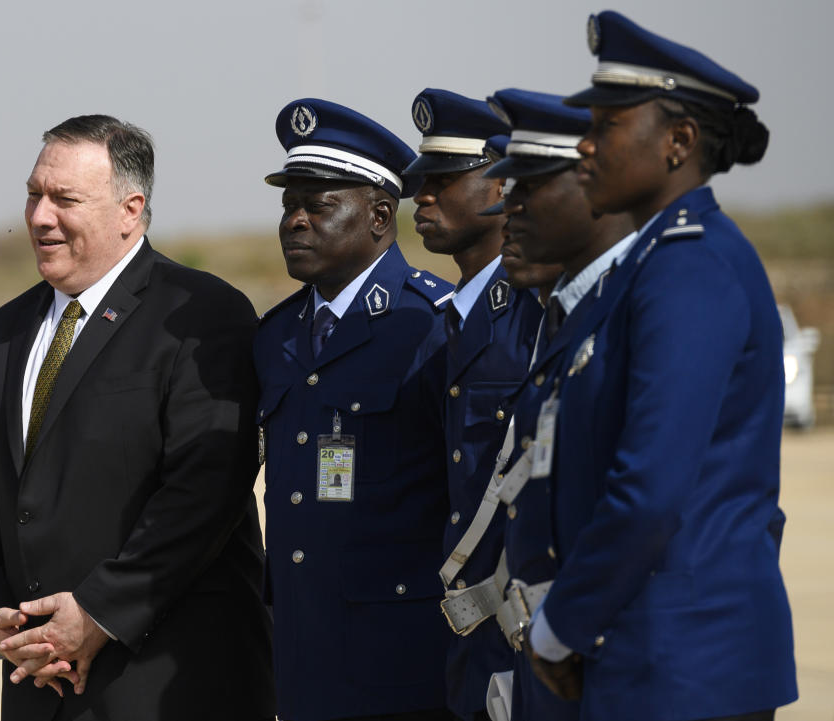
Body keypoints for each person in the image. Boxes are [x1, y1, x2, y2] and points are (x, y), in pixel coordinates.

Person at [0, 115, 274, 721]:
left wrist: (96, 614)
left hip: (173, 689)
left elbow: (205, 492)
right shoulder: (1, 334)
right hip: (38, 688)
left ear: (130, 209)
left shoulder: (201, 315)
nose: (39, 217)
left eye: (64, 199)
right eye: (34, 194)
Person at [519, 11, 798, 720]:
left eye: (607, 126)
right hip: (653, 658)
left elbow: (649, 488)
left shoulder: (689, 267)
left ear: (679, 142)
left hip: (687, 666)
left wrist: (558, 628)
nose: (584, 146)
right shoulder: (648, 266)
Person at [256, 98, 454, 721]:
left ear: (378, 216)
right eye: (289, 206)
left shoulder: (430, 325)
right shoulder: (276, 335)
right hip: (299, 653)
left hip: (401, 661)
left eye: (319, 206)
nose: (295, 221)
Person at [402, 88, 558, 721]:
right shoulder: (450, 319)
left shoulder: (537, 313)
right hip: (472, 625)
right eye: (419, 181)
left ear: (500, 188)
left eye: (443, 180)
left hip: (528, 619)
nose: (422, 195)